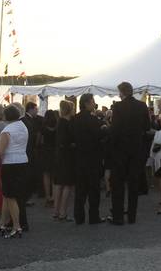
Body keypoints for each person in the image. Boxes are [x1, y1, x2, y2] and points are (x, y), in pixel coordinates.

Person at [108, 81, 150, 225]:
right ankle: (132, 216)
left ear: (122, 92)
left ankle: (118, 216)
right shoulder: (142, 106)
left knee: (118, 184)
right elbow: (147, 127)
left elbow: (115, 129)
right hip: (136, 150)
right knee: (133, 184)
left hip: (120, 151)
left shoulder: (118, 107)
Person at [0, 104, 28, 238]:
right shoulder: (23, 127)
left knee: (10, 196)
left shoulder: (7, 130)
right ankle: (2, 222)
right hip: (23, 161)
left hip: (10, 163)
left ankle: (16, 226)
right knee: (8, 195)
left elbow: (0, 152)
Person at [71, 93, 104, 225]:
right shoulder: (92, 120)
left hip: (79, 158)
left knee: (80, 190)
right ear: (86, 103)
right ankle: (94, 217)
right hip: (93, 158)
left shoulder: (75, 119)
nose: (94, 104)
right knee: (93, 190)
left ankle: (79, 217)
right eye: (92, 102)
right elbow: (99, 135)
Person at [52, 99, 75, 221]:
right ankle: (62, 211)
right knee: (67, 184)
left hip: (59, 156)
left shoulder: (60, 122)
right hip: (67, 157)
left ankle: (56, 210)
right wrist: (72, 144)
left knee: (58, 184)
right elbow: (65, 142)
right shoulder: (66, 123)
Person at [40, 109, 58, 208]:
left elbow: (39, 141)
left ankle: (47, 196)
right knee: (54, 175)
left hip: (45, 152)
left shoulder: (43, 128)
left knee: (46, 175)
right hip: (54, 152)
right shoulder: (57, 127)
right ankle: (54, 196)